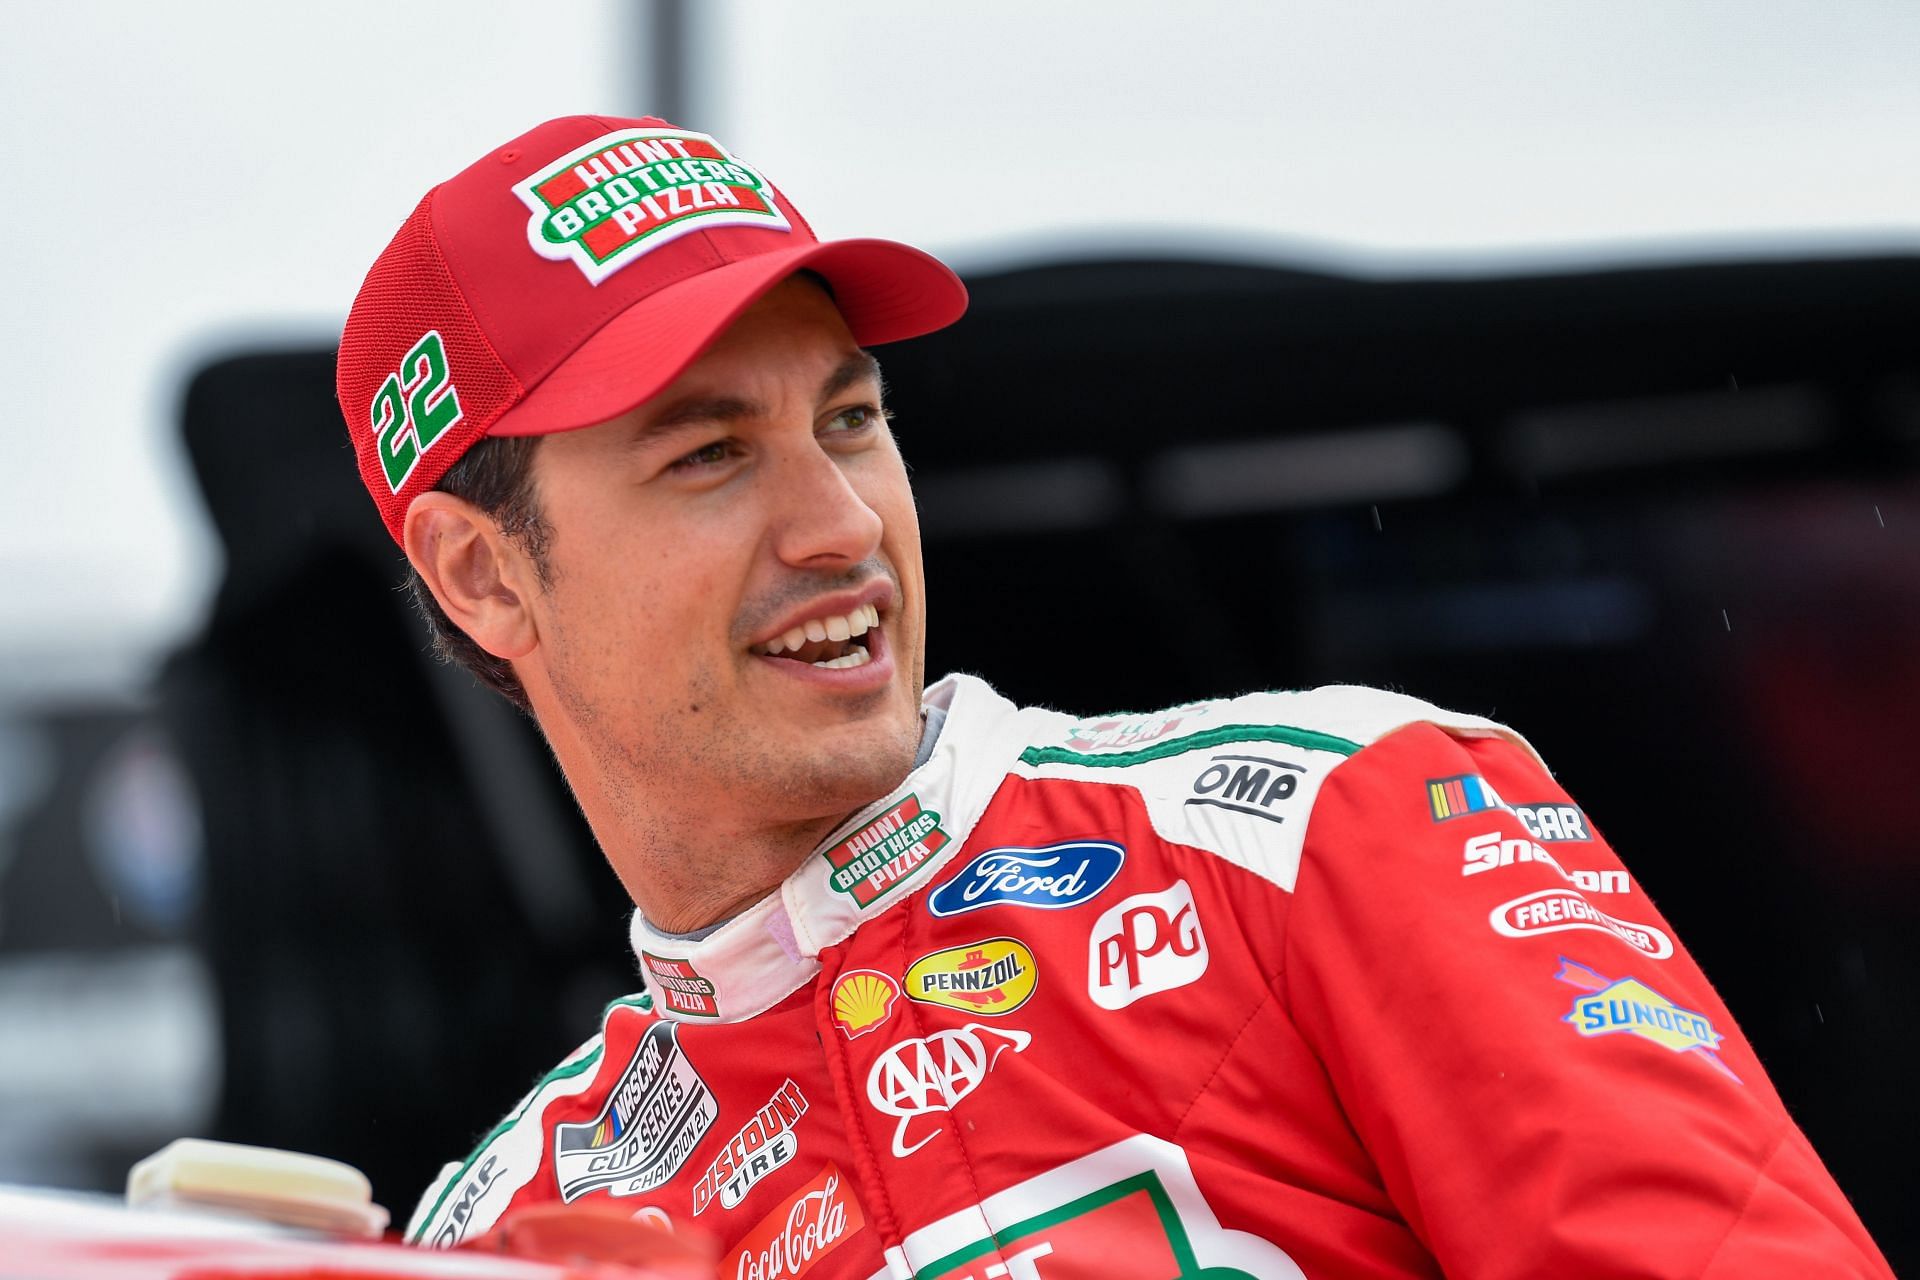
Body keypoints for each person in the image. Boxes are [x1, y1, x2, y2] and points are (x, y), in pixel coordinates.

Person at [336, 116, 1892, 1279]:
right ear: (484, 577)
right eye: (710, 454)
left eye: (854, 419)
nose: (839, 526)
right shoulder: (502, 1230)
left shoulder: (1335, 815)